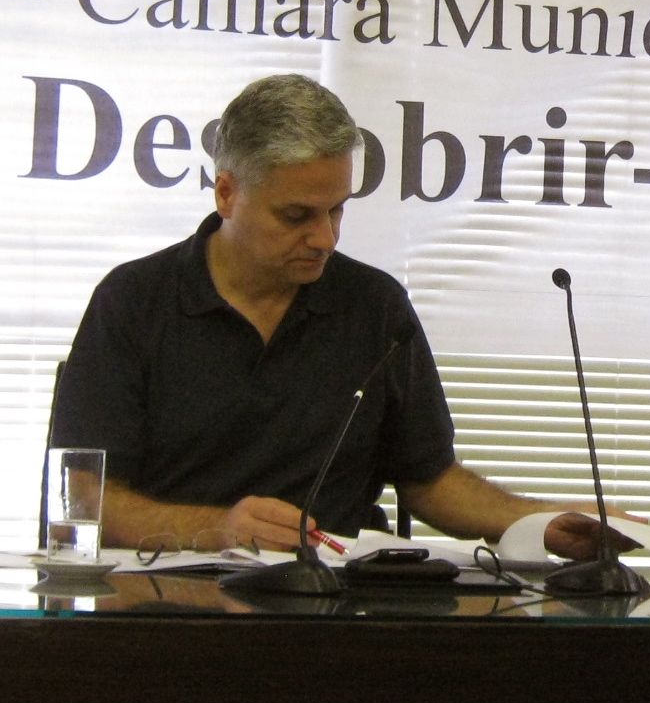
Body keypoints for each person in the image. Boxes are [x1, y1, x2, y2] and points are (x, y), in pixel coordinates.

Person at [53, 72, 614, 559]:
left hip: (334, 609)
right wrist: (216, 530)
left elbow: (429, 481)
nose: (324, 238)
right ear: (226, 193)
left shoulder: (374, 307)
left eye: (337, 210)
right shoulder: (132, 302)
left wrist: (539, 520)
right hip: (164, 608)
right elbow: (85, 497)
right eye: (296, 215)